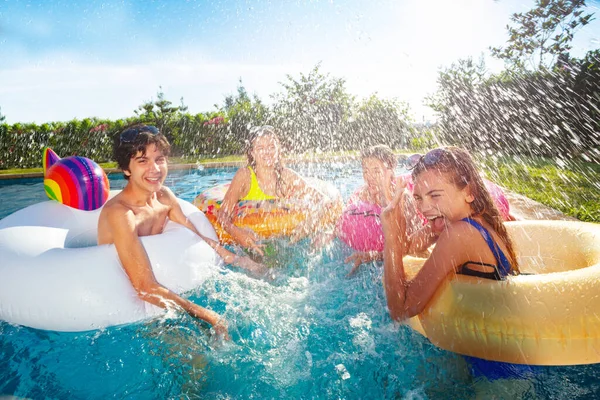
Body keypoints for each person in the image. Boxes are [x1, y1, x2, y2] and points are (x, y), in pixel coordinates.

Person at [98, 124, 266, 339]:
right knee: (194, 356)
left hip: (169, 287)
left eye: (159, 159)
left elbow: (196, 234)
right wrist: (207, 316)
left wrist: (239, 260)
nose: (155, 169)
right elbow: (144, 288)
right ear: (126, 169)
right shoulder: (121, 214)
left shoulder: (164, 197)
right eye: (143, 161)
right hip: (131, 309)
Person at [380, 146, 528, 379]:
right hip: (502, 349)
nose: (425, 207)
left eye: (434, 195)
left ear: (469, 192)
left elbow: (400, 309)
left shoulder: (459, 234)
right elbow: (409, 246)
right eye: (418, 197)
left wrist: (391, 235)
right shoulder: (471, 219)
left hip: (498, 369)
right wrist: (405, 219)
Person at [217, 125, 336, 255]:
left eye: (271, 147)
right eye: (260, 148)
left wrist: (307, 226)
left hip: (286, 244)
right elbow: (222, 214)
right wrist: (237, 233)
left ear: (278, 150)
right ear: (252, 153)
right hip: (253, 244)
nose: (267, 152)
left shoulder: (286, 176)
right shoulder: (245, 177)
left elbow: (324, 201)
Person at [341, 145, 437, 275]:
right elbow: (344, 221)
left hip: (395, 261)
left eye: (376, 171)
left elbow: (415, 245)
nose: (369, 177)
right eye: (365, 171)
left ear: (390, 172)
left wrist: (374, 255)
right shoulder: (361, 194)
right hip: (363, 257)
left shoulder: (402, 198)